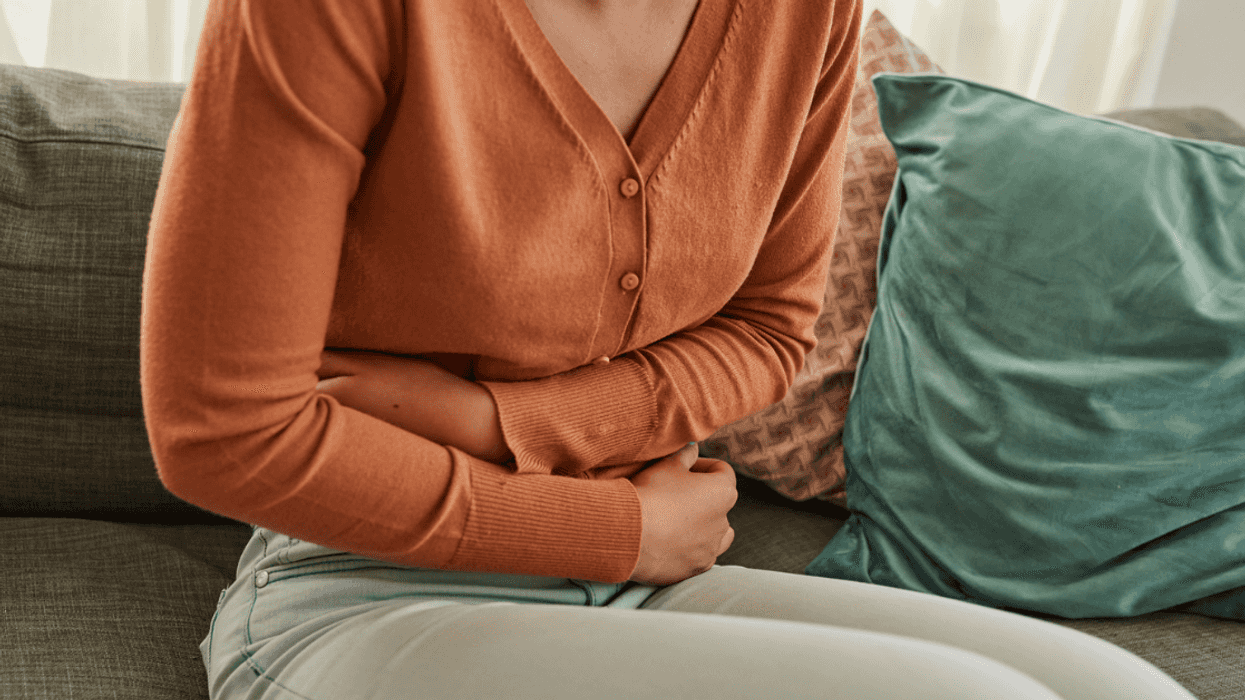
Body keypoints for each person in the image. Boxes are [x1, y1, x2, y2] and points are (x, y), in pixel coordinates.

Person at [139, 0, 1196, 698]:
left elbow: (771, 329)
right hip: (365, 591)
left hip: (648, 573)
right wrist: (609, 527)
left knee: (1134, 692)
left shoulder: (804, 16)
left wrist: (500, 421)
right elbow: (223, 434)